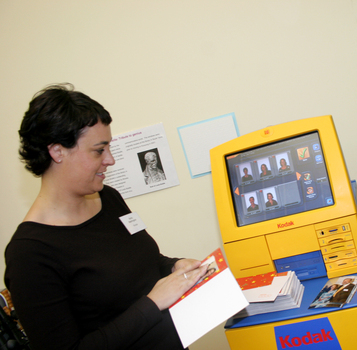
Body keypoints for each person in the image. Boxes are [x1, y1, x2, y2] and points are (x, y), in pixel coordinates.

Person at [4, 84, 209, 350]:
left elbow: (143, 263)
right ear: (57, 152)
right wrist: (153, 303)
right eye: (99, 150)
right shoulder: (30, 254)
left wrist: (175, 266)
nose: (110, 160)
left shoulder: (108, 198)